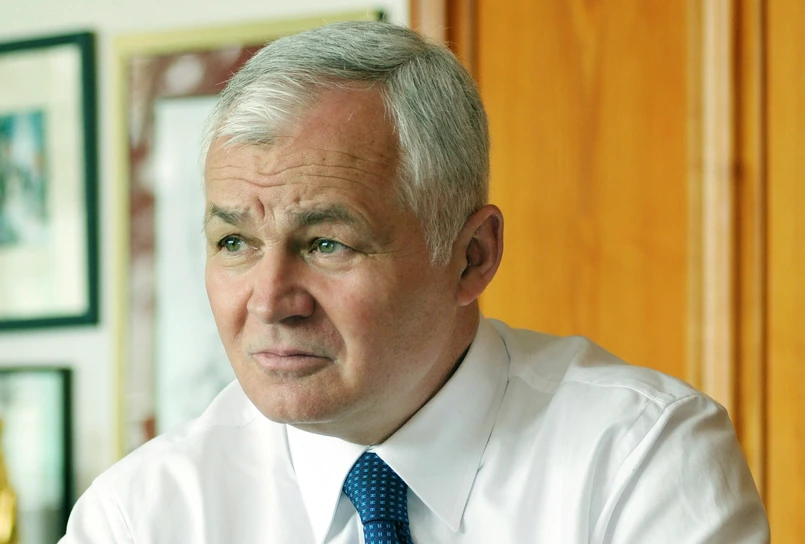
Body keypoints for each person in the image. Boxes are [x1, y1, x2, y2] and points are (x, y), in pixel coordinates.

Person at [60, 20, 769, 543]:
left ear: (472, 257)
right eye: (235, 243)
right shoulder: (141, 515)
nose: (270, 301)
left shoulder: (637, 458)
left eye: (327, 243)